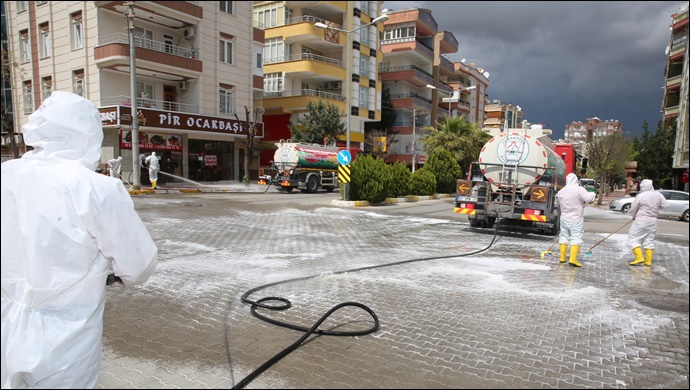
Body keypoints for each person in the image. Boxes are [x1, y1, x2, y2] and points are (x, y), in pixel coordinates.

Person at [1, 91, 158, 388]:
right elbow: (138, 266)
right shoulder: (96, 188)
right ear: (89, 135)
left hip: (5, 321)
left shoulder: (5, 174)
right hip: (64, 340)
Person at [555, 173, 596, 267]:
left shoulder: (562, 191)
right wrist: (593, 194)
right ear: (576, 180)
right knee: (576, 237)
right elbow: (588, 198)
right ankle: (573, 259)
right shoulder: (579, 189)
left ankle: (562, 258)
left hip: (564, 218)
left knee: (564, 236)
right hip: (576, 218)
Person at [628, 179, 669, 266]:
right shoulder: (658, 194)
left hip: (641, 220)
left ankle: (639, 258)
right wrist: (655, 209)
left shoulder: (641, 195)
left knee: (633, 238)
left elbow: (633, 208)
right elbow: (666, 205)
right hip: (653, 221)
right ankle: (648, 261)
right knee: (649, 239)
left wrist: (633, 215)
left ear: (643, 187)